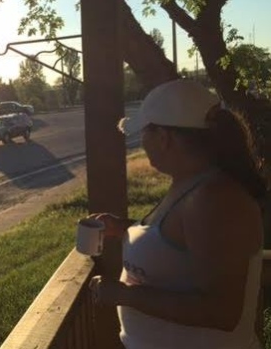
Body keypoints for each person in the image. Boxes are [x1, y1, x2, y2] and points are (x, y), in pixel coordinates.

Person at [87, 79, 267, 349]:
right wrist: (127, 228)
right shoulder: (192, 185)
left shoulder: (214, 200)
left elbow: (222, 312)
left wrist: (125, 295)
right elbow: (181, 242)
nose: (142, 143)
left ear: (164, 137)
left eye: (144, 134)